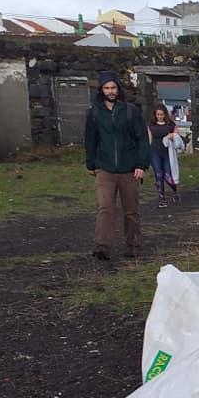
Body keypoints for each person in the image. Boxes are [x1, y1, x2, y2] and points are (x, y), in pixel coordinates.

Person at [84, 70, 150, 261]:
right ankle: (102, 246)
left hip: (129, 168)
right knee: (105, 207)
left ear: (118, 89)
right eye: (106, 88)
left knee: (131, 210)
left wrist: (141, 164)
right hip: (104, 168)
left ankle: (134, 245)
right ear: (101, 90)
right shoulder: (94, 113)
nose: (110, 91)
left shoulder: (131, 112)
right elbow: (90, 140)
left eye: (113, 87)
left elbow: (142, 139)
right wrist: (91, 163)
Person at [147, 105, 181, 208]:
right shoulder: (151, 125)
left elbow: (177, 137)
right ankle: (161, 198)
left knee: (167, 175)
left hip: (167, 152)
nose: (160, 116)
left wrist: (172, 135)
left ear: (165, 114)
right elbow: (150, 140)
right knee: (158, 174)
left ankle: (175, 190)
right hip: (155, 151)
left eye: (161, 114)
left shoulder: (170, 124)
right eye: (158, 114)